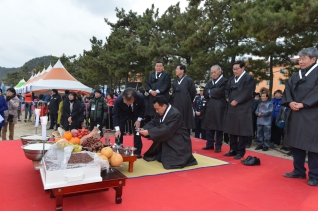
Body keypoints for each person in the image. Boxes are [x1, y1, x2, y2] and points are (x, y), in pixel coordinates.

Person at [282, 47, 318, 186]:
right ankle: (298, 170)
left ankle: (314, 175)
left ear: (313, 59)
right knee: (296, 144)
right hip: (296, 113)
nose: (300, 61)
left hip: (312, 114)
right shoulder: (297, 75)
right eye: (300, 58)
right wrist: (290, 102)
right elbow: (288, 89)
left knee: (313, 146)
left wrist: (304, 104)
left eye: (303, 59)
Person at [140, 96, 198, 169]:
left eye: (157, 109)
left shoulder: (175, 114)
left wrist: (149, 132)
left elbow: (167, 129)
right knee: (158, 157)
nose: (156, 111)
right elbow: (154, 122)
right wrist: (144, 128)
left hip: (178, 141)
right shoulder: (161, 113)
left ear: (164, 106)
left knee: (169, 161)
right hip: (168, 138)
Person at [223, 61, 256, 159]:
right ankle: (233, 149)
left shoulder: (248, 78)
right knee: (232, 129)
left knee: (242, 131)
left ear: (243, 68)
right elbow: (226, 89)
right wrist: (227, 97)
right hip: (232, 108)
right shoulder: (232, 79)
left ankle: (240, 151)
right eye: (234, 69)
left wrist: (237, 100)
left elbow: (248, 91)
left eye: (237, 69)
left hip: (243, 108)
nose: (235, 71)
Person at [201, 65, 228, 152]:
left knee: (218, 127)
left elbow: (220, 92)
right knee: (209, 126)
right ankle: (209, 144)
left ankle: (218, 145)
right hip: (210, 106)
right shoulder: (210, 82)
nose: (213, 74)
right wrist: (212, 91)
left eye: (215, 72)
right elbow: (205, 92)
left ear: (220, 71)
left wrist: (210, 92)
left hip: (219, 106)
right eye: (212, 72)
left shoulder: (224, 81)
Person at [113, 88, 145, 158]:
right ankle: (119, 149)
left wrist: (139, 120)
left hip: (136, 114)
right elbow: (116, 115)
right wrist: (117, 129)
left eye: (129, 101)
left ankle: (137, 152)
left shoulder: (140, 97)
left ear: (134, 99)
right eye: (125, 101)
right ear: (123, 97)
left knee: (137, 131)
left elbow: (143, 109)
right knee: (119, 131)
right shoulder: (118, 100)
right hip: (123, 114)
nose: (127, 103)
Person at [170, 64, 196, 133]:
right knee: (176, 121)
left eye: (177, 69)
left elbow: (193, 92)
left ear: (182, 70)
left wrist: (188, 100)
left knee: (185, 122)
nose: (176, 70)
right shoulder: (175, 81)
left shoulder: (188, 80)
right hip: (176, 103)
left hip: (185, 104)